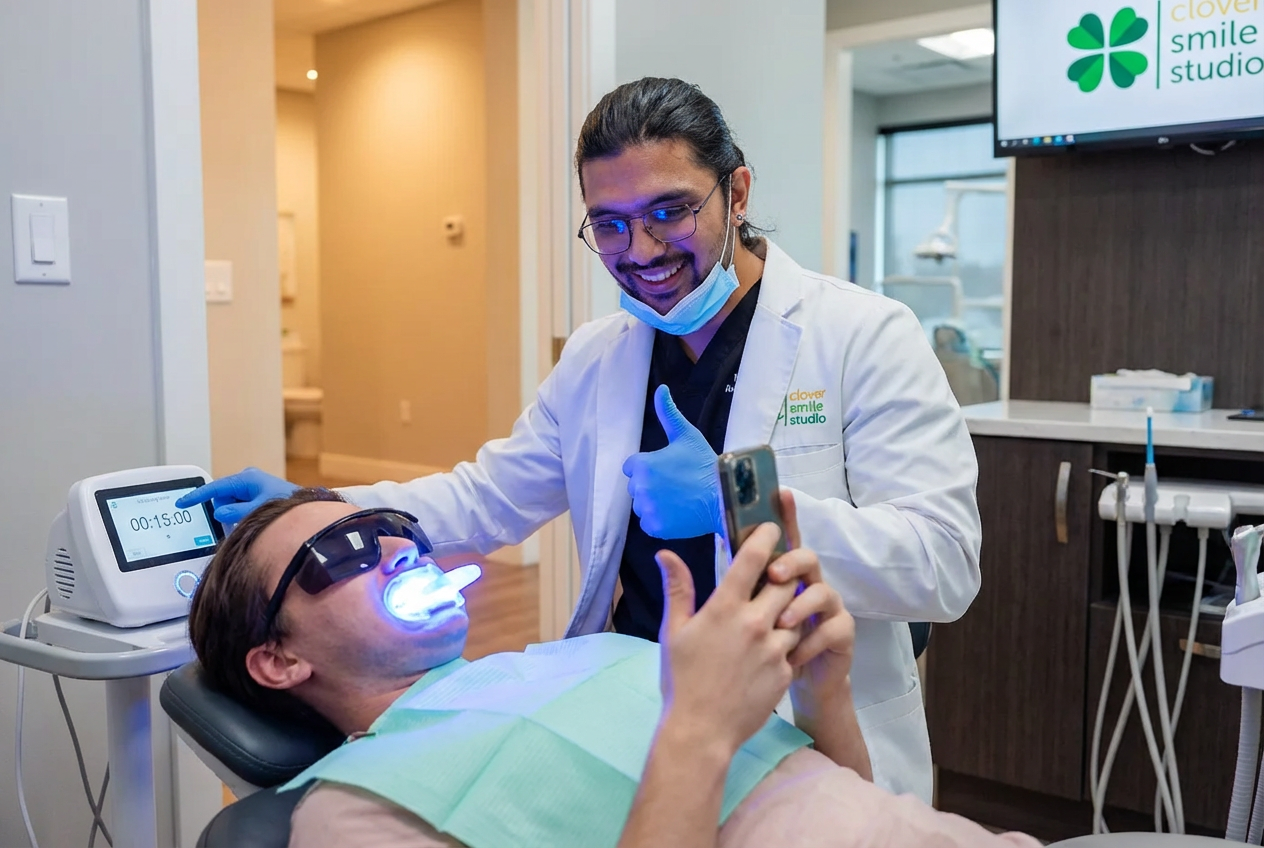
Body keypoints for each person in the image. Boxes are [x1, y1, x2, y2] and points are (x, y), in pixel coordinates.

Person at [179, 76, 982, 800]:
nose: (641, 251)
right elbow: (487, 498)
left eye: (670, 211)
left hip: (795, 727)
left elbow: (945, 565)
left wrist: (733, 502)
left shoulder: (863, 335)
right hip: (632, 705)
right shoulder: (600, 356)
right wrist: (321, 506)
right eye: (610, 225)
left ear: (736, 192)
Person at [188, 487, 1034, 848]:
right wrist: (696, 732)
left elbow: (834, 802)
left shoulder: (591, 652)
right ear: (278, 659)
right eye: (339, 552)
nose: (395, 551)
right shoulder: (352, 812)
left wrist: (823, 696)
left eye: (391, 527)